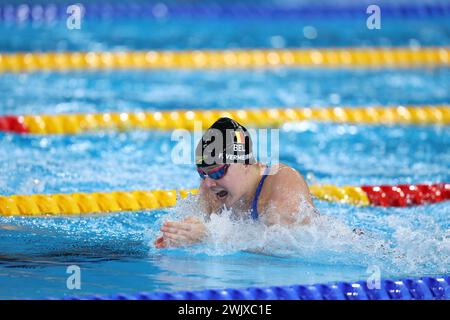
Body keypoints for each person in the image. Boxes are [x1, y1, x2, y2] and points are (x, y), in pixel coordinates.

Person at [154, 117, 316, 249]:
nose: (208, 183)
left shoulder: (281, 182)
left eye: (217, 171)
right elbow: (196, 225)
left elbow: (288, 247)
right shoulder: (211, 188)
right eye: (203, 173)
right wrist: (179, 236)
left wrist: (210, 236)